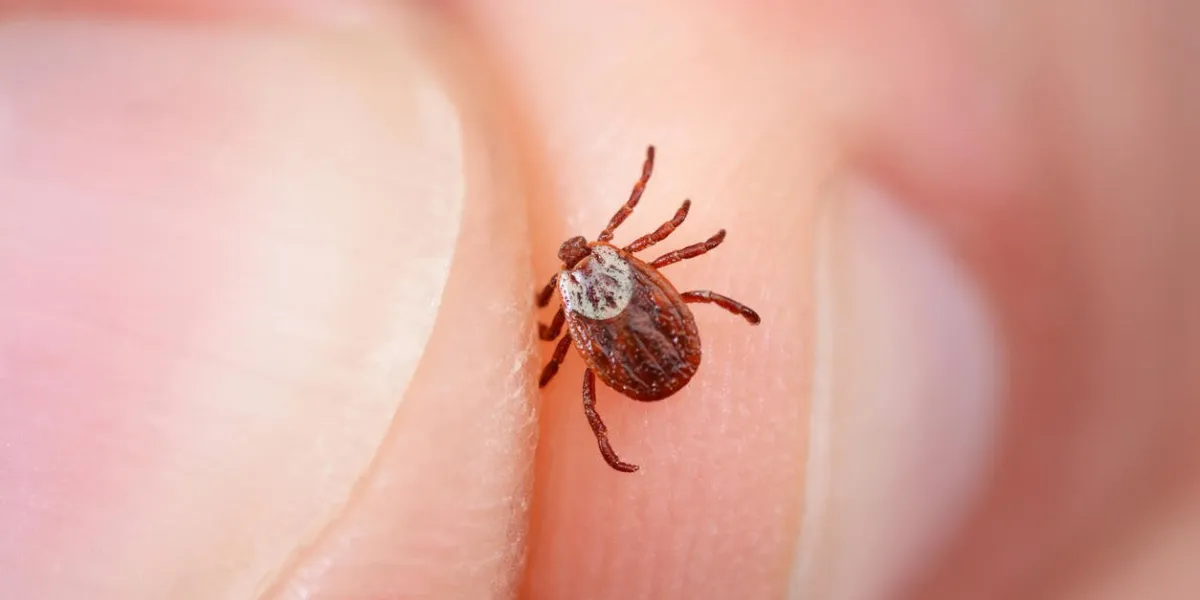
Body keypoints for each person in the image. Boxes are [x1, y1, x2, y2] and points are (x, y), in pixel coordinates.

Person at [1, 1, 1195, 598]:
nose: (594, 262)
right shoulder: (616, 278)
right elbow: (673, 232)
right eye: (592, 268)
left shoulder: (577, 308)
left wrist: (609, 379)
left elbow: (645, 266)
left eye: (600, 262)